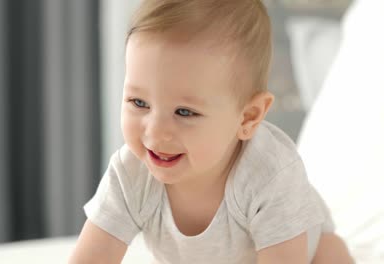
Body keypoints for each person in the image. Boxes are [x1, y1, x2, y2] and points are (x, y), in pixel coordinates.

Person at [70, 0, 353, 263]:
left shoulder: (270, 174)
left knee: (332, 255)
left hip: (304, 252)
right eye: (139, 102)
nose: (155, 134)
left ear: (248, 117)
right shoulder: (130, 175)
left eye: (184, 112)